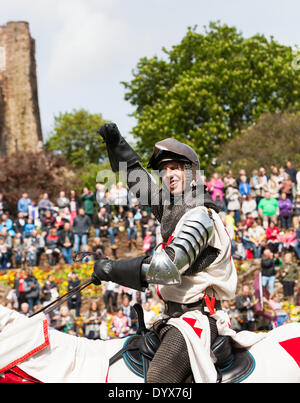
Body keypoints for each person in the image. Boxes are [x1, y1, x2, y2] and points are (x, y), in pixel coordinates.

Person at [92, 122, 237, 383]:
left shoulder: (200, 216)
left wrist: (112, 269)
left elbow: (167, 267)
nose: (168, 174)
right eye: (164, 170)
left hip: (197, 320)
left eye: (175, 168)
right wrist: (117, 146)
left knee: (157, 382)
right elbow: (141, 184)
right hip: (172, 317)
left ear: (191, 172)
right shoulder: (175, 209)